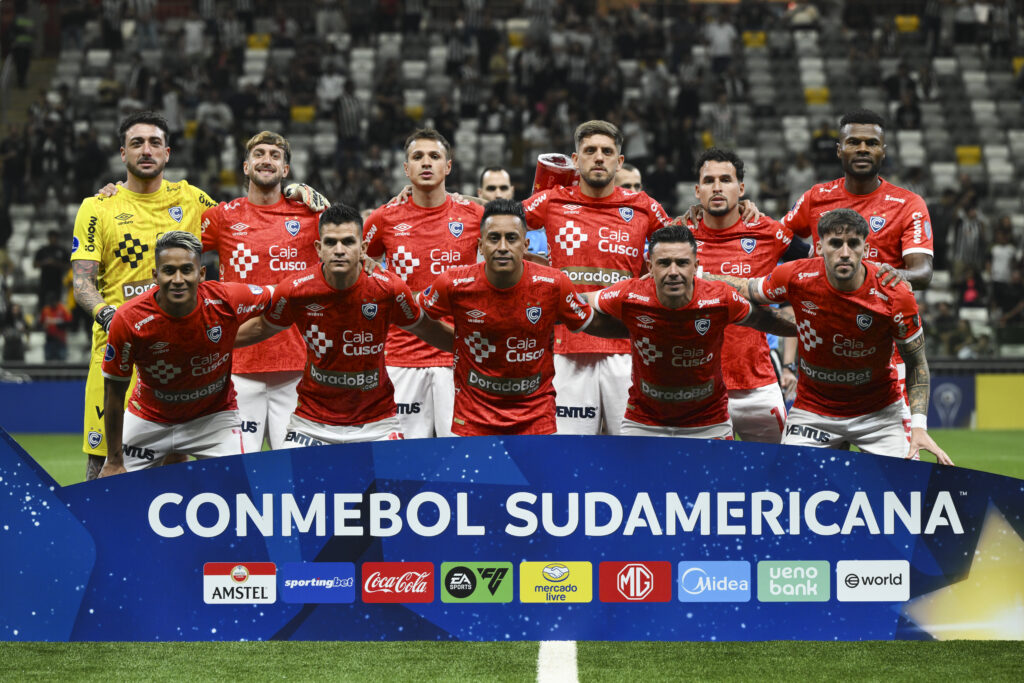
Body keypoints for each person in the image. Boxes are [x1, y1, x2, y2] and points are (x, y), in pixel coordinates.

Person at [71, 111, 216, 480]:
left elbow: (244, 226)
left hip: (180, 356)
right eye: (137, 143)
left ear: (167, 152)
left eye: (155, 143)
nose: (146, 150)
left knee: (178, 473)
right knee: (103, 470)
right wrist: (111, 317)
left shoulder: (191, 199)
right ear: (123, 153)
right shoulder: (97, 207)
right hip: (117, 355)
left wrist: (291, 192)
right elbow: (82, 283)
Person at [744, 209, 952, 464]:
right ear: (819, 248)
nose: (845, 253)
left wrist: (919, 426)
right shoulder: (796, 276)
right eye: (835, 243)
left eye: (853, 243)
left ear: (866, 249)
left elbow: (917, 362)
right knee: (791, 483)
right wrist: (701, 278)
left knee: (905, 486)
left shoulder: (895, 293)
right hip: (813, 413)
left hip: (880, 416)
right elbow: (746, 289)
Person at [235, 204, 453, 446]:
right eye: (330, 243)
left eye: (348, 242)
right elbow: (261, 327)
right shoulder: (296, 290)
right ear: (318, 249)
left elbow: (426, 327)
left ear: (363, 248)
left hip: (377, 423)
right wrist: (209, 345)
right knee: (289, 473)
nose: (339, 250)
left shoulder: (388, 289)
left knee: (398, 473)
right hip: (312, 423)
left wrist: (472, 349)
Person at [418, 198, 621, 435]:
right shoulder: (454, 283)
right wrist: (455, 342)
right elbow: (417, 317)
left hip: (535, 419)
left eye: (511, 238)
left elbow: (593, 322)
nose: (503, 247)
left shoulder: (553, 284)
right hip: (473, 420)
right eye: (494, 238)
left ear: (525, 245)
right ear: (480, 246)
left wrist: (642, 328)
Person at [522, 120, 672, 435]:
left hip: (629, 349)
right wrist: (445, 196)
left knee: (633, 449)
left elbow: (684, 240)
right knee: (569, 452)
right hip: (567, 349)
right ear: (576, 160)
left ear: (619, 161)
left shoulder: (643, 206)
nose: (599, 157)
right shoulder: (552, 200)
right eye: (590, 151)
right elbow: (496, 218)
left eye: (607, 151)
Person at [590, 224, 795, 438]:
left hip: (709, 422)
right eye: (664, 263)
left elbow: (764, 319)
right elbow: (583, 304)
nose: (673, 272)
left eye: (682, 263)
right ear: (650, 267)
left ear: (696, 266)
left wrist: (812, 327)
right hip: (644, 421)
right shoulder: (630, 295)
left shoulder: (721, 298)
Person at [97, 231, 273, 476]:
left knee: (240, 487)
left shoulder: (227, 299)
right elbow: (113, 394)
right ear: (155, 275)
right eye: (169, 271)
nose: (178, 279)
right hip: (148, 419)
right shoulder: (128, 319)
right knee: (111, 489)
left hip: (213, 419)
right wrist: (115, 461)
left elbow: (281, 296)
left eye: (186, 270)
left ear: (201, 274)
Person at [200, 131, 324, 454]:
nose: (266, 160)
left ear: (286, 170)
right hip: (237, 367)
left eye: (274, 155)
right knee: (237, 471)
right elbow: (173, 248)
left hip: (298, 367)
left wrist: (406, 195)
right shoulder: (223, 217)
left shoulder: (310, 215)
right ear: (245, 166)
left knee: (300, 471)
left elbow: (353, 239)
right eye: (259, 154)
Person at [362, 129, 485, 438]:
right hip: (401, 357)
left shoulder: (475, 215)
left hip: (458, 356)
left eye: (434, 156)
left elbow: (512, 223)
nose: (426, 162)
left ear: (448, 166)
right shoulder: (383, 218)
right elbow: (357, 266)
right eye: (417, 157)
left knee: (463, 455)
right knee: (401, 458)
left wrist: (470, 198)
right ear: (406, 168)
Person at [688, 148, 795, 442]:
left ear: (742, 188)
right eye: (709, 181)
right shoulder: (679, 236)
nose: (717, 187)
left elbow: (816, 264)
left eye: (726, 180)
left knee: (776, 468)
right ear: (697, 191)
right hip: (697, 387)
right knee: (702, 471)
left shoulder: (768, 232)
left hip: (757, 384)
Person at [782, 109, 934, 289]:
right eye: (853, 142)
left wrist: (897, 274)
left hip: (882, 306)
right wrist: (808, 255)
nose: (863, 149)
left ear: (883, 152)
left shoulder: (908, 204)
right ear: (839, 150)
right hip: (825, 305)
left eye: (872, 143)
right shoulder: (816, 196)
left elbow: (923, 272)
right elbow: (776, 236)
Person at [33, 230, 70, 312]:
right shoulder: (43, 250)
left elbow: (68, 266)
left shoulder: (62, 251)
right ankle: (42, 317)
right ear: (48, 238)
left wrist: (55, 263)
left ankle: (56, 317)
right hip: (44, 281)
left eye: (55, 237)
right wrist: (45, 262)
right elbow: (35, 265)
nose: (53, 239)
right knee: (42, 303)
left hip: (57, 281)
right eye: (51, 237)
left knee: (57, 303)